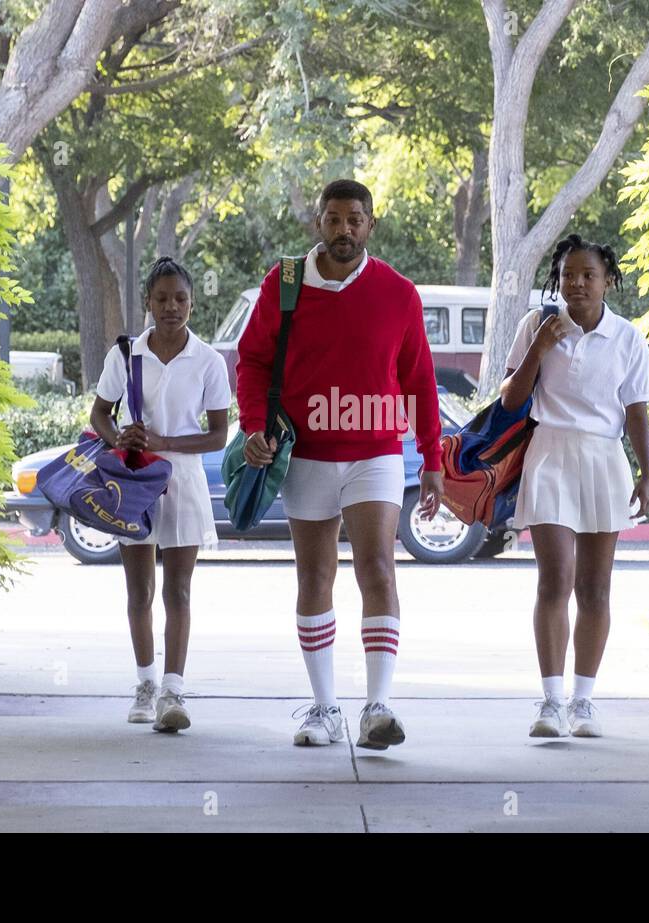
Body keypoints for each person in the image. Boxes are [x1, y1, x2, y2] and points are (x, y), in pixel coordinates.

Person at [236, 179, 444, 750]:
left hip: (375, 452)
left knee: (377, 568)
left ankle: (378, 706)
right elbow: (251, 361)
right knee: (315, 576)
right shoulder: (284, 283)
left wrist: (431, 455)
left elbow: (419, 379)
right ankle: (324, 709)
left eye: (355, 219)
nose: (344, 229)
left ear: (370, 224)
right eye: (334, 218)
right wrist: (255, 426)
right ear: (319, 223)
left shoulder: (398, 292)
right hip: (303, 453)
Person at [499, 233, 649, 739]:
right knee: (555, 580)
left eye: (588, 275)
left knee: (594, 588)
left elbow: (636, 410)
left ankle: (583, 702)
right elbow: (508, 400)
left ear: (608, 280)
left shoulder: (627, 337)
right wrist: (541, 346)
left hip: (603, 458)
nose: (577, 284)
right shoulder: (537, 325)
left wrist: (647, 472)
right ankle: (550, 702)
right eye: (568, 275)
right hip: (549, 455)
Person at [89, 256, 231, 733]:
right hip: (133, 483)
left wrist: (166, 442)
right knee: (139, 590)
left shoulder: (209, 361)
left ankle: (174, 691)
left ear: (192, 302)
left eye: (181, 298)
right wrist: (117, 439)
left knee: (179, 590)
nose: (172, 307)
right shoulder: (125, 355)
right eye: (163, 298)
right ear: (148, 302)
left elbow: (218, 436)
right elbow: (99, 415)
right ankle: (145, 684)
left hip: (184, 483)